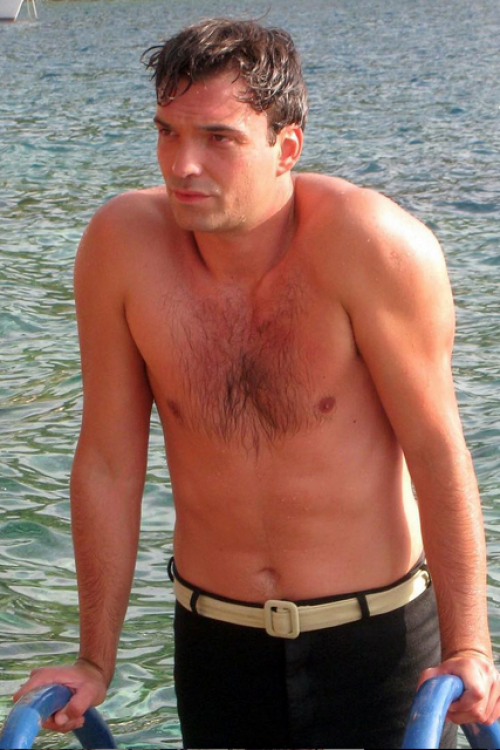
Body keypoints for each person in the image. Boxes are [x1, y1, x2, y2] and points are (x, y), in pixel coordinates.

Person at [13, 17, 500, 749]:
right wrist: (94, 660)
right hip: (216, 648)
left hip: (375, 648)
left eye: (219, 138)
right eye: (168, 132)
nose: (183, 164)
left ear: (287, 147)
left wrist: (470, 646)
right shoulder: (122, 249)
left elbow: (437, 451)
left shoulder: (372, 246)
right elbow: (109, 463)